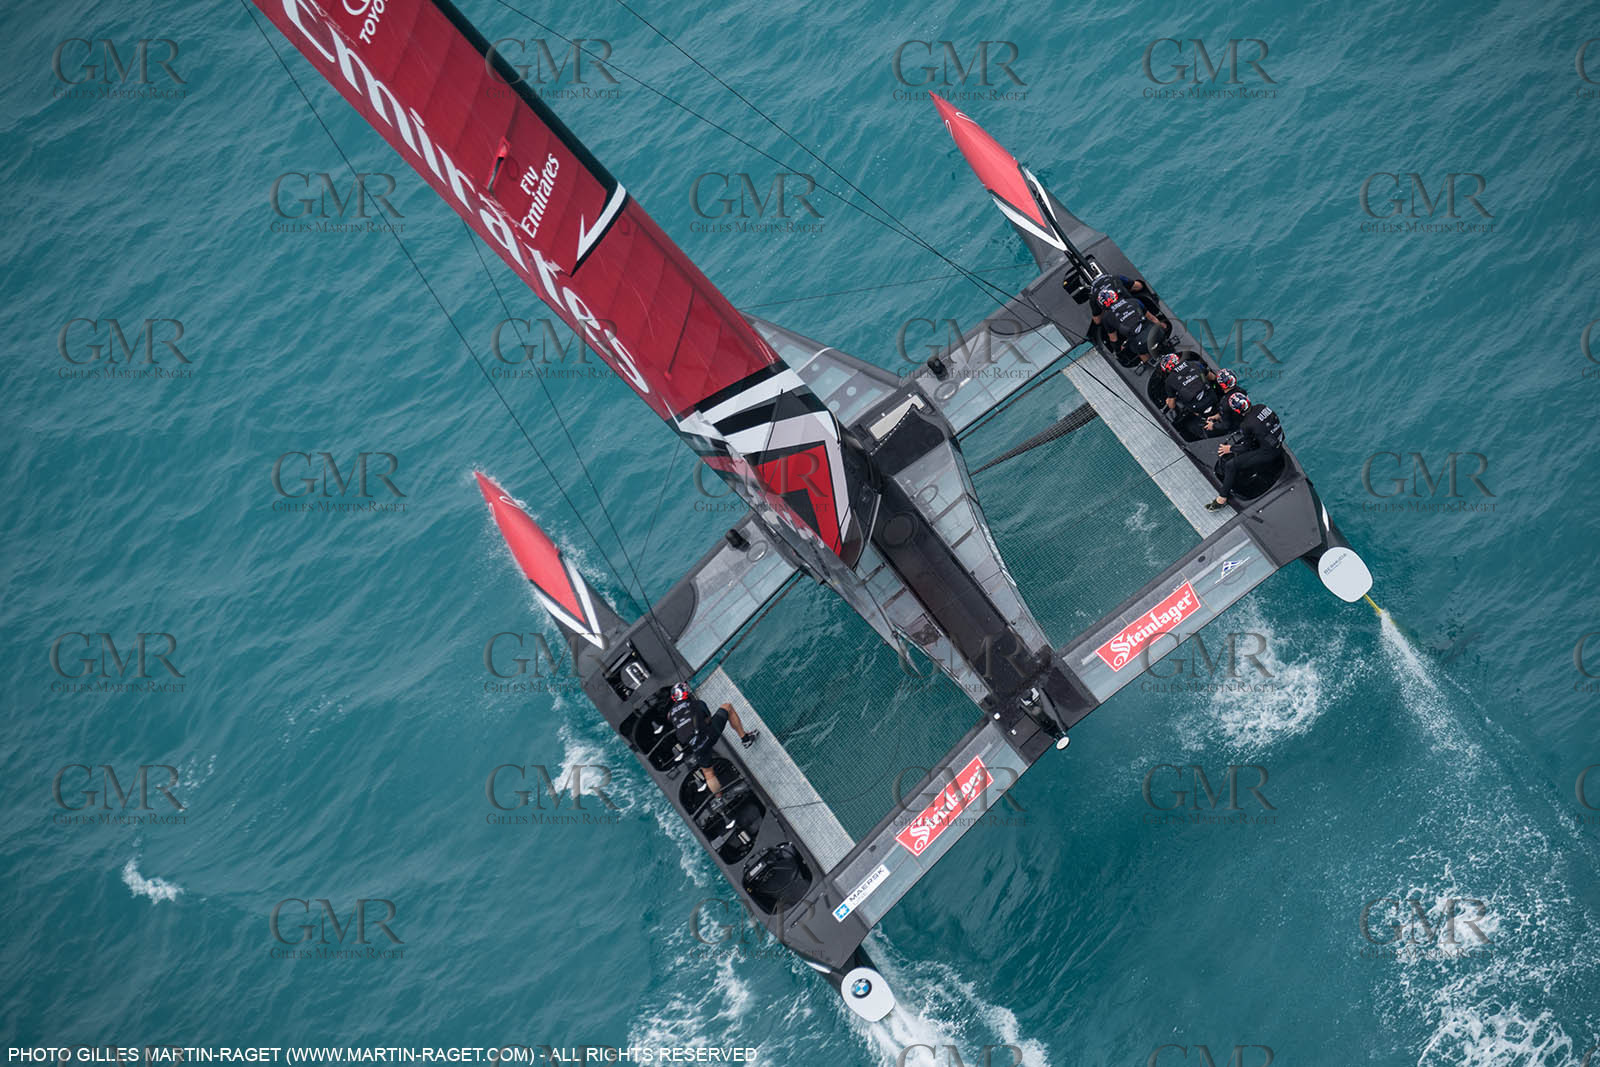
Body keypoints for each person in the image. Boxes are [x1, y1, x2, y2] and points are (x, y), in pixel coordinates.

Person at [667, 681, 758, 796]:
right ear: (686, 692)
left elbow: (672, 718)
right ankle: (746, 739)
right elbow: (708, 719)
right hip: (709, 735)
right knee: (727, 707)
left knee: (708, 773)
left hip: (696, 747)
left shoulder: (671, 714)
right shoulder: (697, 704)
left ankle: (719, 797)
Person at [1206, 393, 1284, 510]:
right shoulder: (1262, 407)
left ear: (1237, 411)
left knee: (1231, 465)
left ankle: (1222, 499)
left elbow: (1247, 446)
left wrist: (1230, 449)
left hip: (1269, 453)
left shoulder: (1246, 424)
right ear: (1248, 400)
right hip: (1278, 442)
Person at [1088, 275, 1167, 364]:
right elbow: (1152, 318)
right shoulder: (1134, 301)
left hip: (1141, 345)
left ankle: (1149, 362)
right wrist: (1162, 327)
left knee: (1138, 348)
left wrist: (1118, 351)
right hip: (1157, 334)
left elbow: (1113, 339)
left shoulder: (1107, 318)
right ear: (1115, 295)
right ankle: (1166, 344)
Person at [1202, 369, 1247, 436]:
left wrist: (1213, 426)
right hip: (1244, 420)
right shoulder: (1241, 391)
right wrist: (1217, 416)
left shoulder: (1224, 403)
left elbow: (1226, 426)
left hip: (1237, 428)